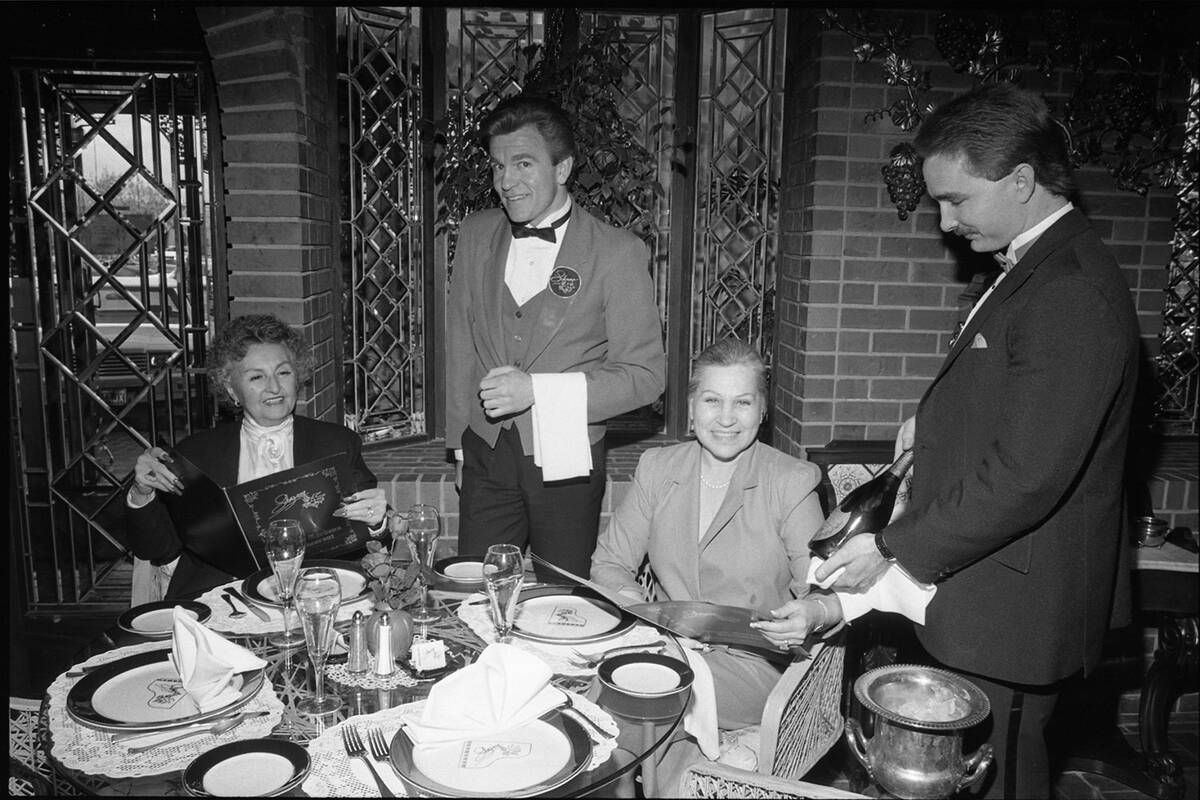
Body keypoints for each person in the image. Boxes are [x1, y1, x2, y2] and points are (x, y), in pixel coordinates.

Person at [816, 84, 1139, 799]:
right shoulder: (1036, 266)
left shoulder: (1069, 290)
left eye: (957, 199)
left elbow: (1029, 474)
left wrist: (893, 549)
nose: (945, 221)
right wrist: (930, 428)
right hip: (988, 591)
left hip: (1017, 610)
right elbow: (1014, 408)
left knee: (1003, 779)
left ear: (1021, 181)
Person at [591, 338, 844, 797]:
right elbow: (609, 562)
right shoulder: (658, 466)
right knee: (618, 687)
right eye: (712, 400)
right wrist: (643, 613)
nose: (726, 418)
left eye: (742, 402)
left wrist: (810, 613)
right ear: (691, 407)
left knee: (635, 693)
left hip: (753, 662)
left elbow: (823, 585)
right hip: (665, 644)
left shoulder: (789, 481)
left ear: (762, 411)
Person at [445, 95, 666, 580]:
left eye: (523, 163)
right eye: (499, 165)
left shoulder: (617, 252)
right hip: (486, 451)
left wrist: (537, 392)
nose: (506, 181)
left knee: (562, 599)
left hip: (567, 459)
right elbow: (461, 342)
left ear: (563, 167)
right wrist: (460, 447)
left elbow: (646, 377)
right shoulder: (476, 232)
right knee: (475, 595)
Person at [126, 314, 388, 599]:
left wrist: (376, 523)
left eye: (283, 373)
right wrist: (142, 492)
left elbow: (365, 541)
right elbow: (156, 550)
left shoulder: (338, 442)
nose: (274, 388)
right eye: (256, 377)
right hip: (221, 599)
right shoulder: (195, 454)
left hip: (313, 593)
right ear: (230, 388)